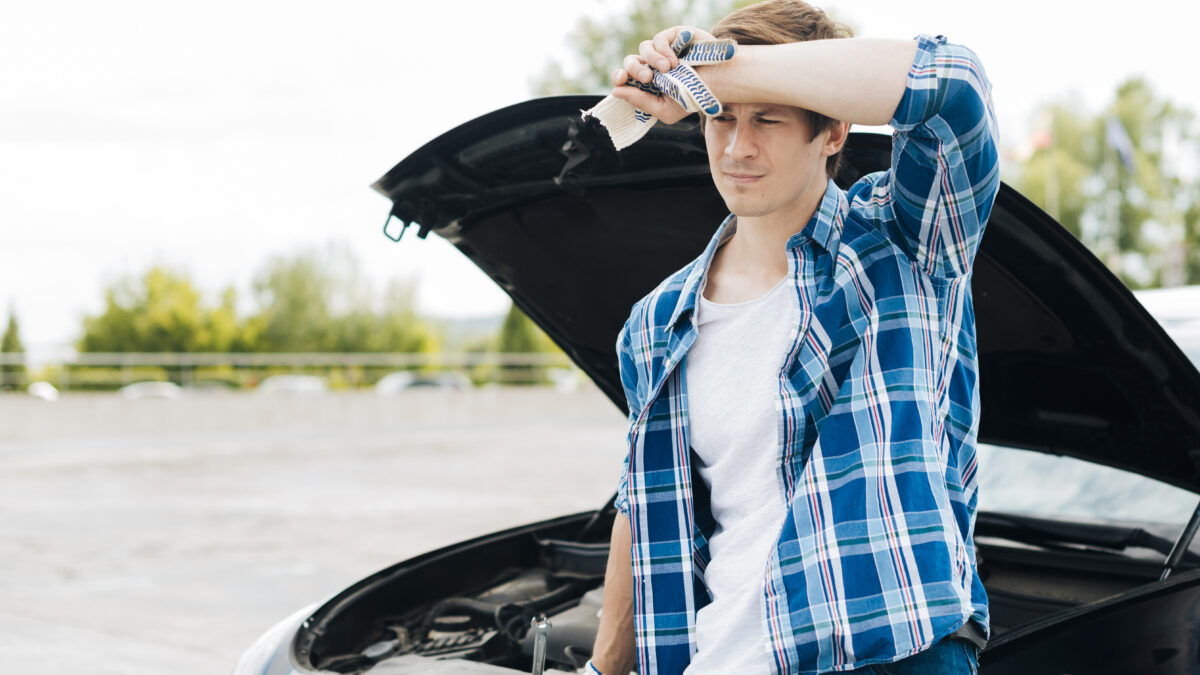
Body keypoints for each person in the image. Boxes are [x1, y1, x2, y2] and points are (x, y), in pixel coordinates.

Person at [584, 1, 999, 674]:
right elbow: (646, 509)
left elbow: (954, 86)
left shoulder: (903, 244)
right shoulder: (656, 322)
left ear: (832, 132)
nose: (738, 147)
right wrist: (600, 669)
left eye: (768, 118)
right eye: (719, 116)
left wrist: (722, 69)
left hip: (888, 655)